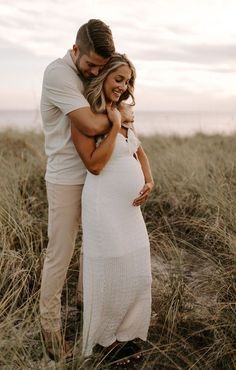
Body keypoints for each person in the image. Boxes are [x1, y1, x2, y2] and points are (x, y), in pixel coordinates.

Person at [40, 19, 134, 361]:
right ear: (75, 49)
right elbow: (92, 123)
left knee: (94, 249)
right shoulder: (59, 74)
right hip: (66, 176)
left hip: (98, 177)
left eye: (100, 68)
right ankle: (49, 331)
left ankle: (86, 310)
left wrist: (118, 111)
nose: (96, 72)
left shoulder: (91, 74)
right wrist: (119, 115)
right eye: (91, 65)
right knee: (60, 253)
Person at [71, 53, 154, 365]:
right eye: (118, 79)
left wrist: (149, 180)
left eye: (127, 81)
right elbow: (94, 164)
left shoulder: (125, 113)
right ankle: (104, 341)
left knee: (137, 271)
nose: (123, 85)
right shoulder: (85, 117)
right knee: (109, 268)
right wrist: (114, 123)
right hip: (102, 205)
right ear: (103, 76)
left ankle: (127, 334)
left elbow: (138, 150)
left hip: (129, 210)